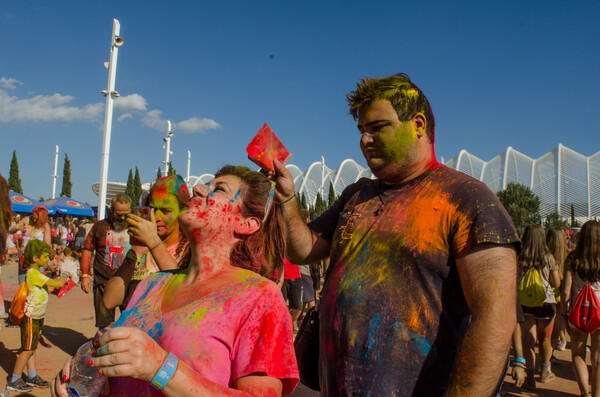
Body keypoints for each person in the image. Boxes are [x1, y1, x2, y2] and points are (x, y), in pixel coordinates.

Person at [270, 73, 519, 396]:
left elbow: (495, 319)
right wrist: (288, 199)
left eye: (377, 127)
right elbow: (303, 250)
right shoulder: (356, 195)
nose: (364, 139)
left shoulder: (467, 198)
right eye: (361, 130)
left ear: (417, 125)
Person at [54, 165, 299, 396]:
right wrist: (93, 376)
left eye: (219, 189)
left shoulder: (258, 297)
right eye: (206, 184)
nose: (198, 189)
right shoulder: (153, 284)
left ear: (247, 224)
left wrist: (159, 367)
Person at [103, 175, 190, 310]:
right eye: (152, 210)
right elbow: (110, 301)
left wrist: (154, 243)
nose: (156, 217)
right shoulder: (139, 245)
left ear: (183, 211)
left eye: (166, 211)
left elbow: (182, 294)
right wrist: (134, 254)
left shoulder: (191, 250)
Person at [6, 239, 70, 392]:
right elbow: (59, 283)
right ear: (35, 258)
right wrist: (67, 272)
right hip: (30, 317)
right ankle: (14, 380)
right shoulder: (33, 274)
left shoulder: (38, 274)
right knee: (27, 349)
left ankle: (32, 376)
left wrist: (55, 290)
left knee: (32, 347)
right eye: (46, 256)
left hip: (38, 316)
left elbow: (46, 289)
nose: (48, 259)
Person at [518, 224, 560, 390]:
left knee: (528, 340)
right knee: (545, 339)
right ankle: (544, 371)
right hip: (546, 302)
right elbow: (556, 282)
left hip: (525, 303)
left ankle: (530, 376)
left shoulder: (520, 256)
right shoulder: (548, 257)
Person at [80, 193, 132, 329]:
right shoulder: (99, 227)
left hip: (129, 284)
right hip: (103, 283)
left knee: (130, 323)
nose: (122, 218)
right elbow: (87, 249)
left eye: (125, 214)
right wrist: (84, 275)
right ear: (111, 211)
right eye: (118, 214)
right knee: (105, 325)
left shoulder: (135, 227)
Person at [561, 220, 600, 397]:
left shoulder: (572, 258)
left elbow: (565, 290)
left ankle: (585, 392)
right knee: (598, 358)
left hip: (578, 313)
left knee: (578, 353)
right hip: (599, 313)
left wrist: (563, 314)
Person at [12, 205, 52, 284]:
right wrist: (18, 228)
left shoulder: (45, 226)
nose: (34, 218)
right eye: (33, 215)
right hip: (24, 256)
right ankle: (23, 296)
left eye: (36, 217)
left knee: (35, 282)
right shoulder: (26, 220)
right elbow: (11, 230)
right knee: (22, 282)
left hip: (37, 258)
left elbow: (47, 244)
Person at [547, 227, 569, 352]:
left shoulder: (543, 256)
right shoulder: (567, 258)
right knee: (556, 329)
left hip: (543, 297)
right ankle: (549, 358)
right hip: (559, 297)